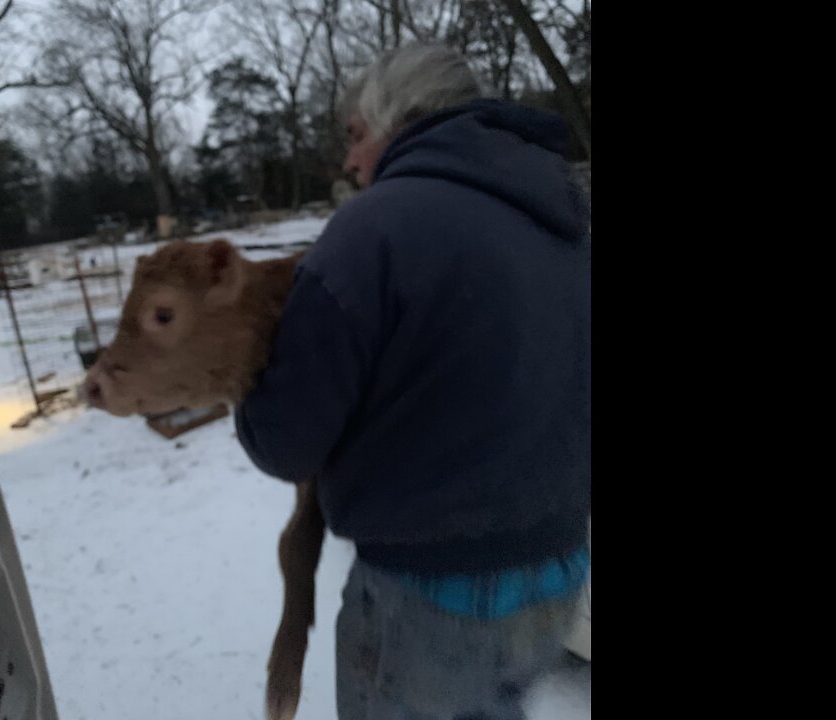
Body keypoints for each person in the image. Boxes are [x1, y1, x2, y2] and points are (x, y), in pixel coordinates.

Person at [235, 43, 591, 719]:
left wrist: (242, 379)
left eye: (356, 135)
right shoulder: (562, 217)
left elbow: (287, 443)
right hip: (557, 575)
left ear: (400, 119)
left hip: (431, 597)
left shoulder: (368, 233)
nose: (349, 161)